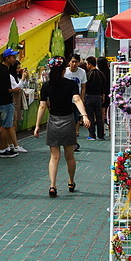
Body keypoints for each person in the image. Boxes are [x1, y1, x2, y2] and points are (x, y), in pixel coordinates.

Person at [34, 56, 91, 197]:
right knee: (69, 156)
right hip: (68, 122)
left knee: (54, 157)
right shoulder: (70, 84)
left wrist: (36, 126)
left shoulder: (46, 86)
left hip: (53, 122)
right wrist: (84, 115)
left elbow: (42, 107)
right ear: (63, 69)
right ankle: (71, 182)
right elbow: (77, 99)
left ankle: (52, 186)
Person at [0, 48, 24, 158]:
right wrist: (14, 90)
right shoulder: (4, 71)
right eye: (13, 57)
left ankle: (6, 147)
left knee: (5, 125)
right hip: (5, 101)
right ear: (7, 58)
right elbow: (5, 89)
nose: (14, 59)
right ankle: (2, 149)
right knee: (6, 126)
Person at [64, 54, 87, 147]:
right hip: (65, 100)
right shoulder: (64, 72)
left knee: (75, 119)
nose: (74, 64)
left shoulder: (82, 72)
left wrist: (82, 98)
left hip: (76, 101)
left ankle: (74, 140)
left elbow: (83, 86)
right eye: (72, 61)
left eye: (76, 62)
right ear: (69, 62)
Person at [84, 56, 107, 140]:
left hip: (89, 97)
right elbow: (103, 86)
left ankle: (92, 134)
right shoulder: (101, 74)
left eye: (87, 64)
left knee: (90, 117)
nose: (86, 66)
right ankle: (101, 135)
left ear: (90, 64)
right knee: (99, 116)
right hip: (98, 97)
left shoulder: (88, 74)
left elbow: (85, 87)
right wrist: (103, 95)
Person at [8, 59, 27, 153]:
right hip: (13, 101)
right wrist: (23, 79)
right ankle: (13, 144)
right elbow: (16, 88)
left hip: (16, 101)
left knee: (14, 122)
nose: (18, 70)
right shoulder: (10, 76)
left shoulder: (16, 76)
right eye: (17, 68)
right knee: (12, 123)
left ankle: (11, 143)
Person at [97, 57, 111, 129]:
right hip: (110, 93)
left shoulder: (99, 73)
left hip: (101, 94)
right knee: (110, 113)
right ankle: (110, 130)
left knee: (102, 113)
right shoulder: (111, 72)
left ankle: (102, 130)